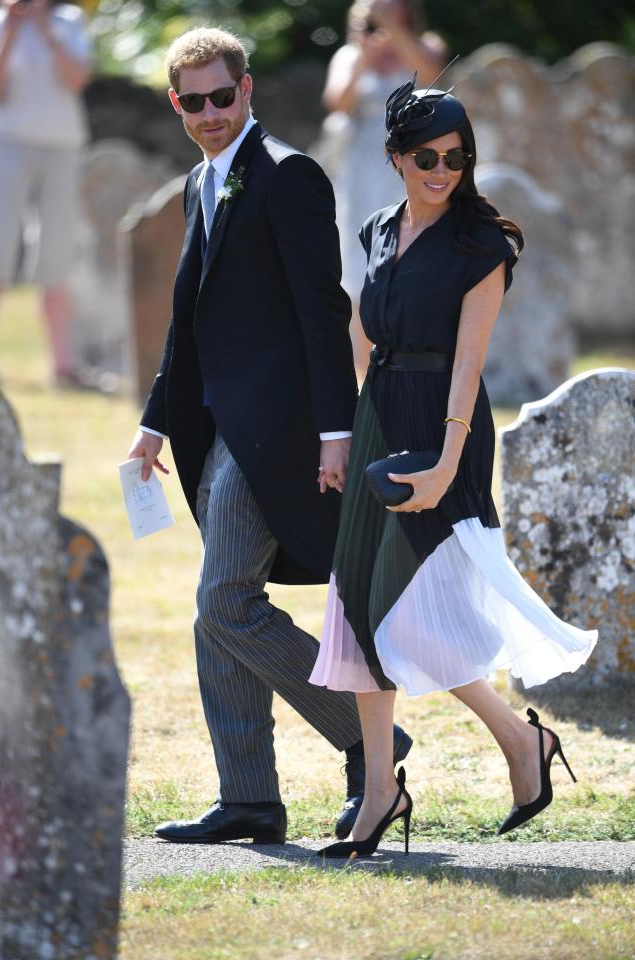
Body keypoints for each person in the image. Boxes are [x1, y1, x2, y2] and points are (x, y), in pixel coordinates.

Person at [128, 27, 412, 846]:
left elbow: (327, 313)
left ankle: (371, 738)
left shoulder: (289, 176)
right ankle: (249, 795)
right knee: (216, 609)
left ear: (246, 90)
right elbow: (190, 324)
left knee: (223, 601)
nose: (212, 113)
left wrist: (335, 433)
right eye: (196, 102)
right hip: (216, 430)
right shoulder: (198, 183)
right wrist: (153, 425)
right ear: (177, 106)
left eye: (225, 96)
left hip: (284, 430)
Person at [310, 79, 598, 857]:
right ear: (395, 157)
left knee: (414, 607)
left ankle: (518, 741)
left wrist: (442, 463)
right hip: (379, 424)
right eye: (428, 156)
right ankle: (379, 794)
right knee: (359, 609)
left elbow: (469, 364)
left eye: (457, 157)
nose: (443, 169)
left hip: (447, 430)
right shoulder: (374, 229)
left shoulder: (483, 245)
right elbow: (363, 342)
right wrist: (344, 437)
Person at [322, 0, 446, 378]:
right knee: (360, 267)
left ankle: (413, 363)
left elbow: (432, 76)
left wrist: (396, 32)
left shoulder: (426, 44)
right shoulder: (349, 55)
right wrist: (363, 51)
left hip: (414, 166)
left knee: (414, 257)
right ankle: (367, 372)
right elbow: (337, 102)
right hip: (362, 169)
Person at [0, 0, 91, 385]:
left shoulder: (70, 21)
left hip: (62, 146)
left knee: (56, 251)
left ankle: (63, 365)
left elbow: (76, 79)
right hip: (7, 144)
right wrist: (14, 31)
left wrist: (46, 32)